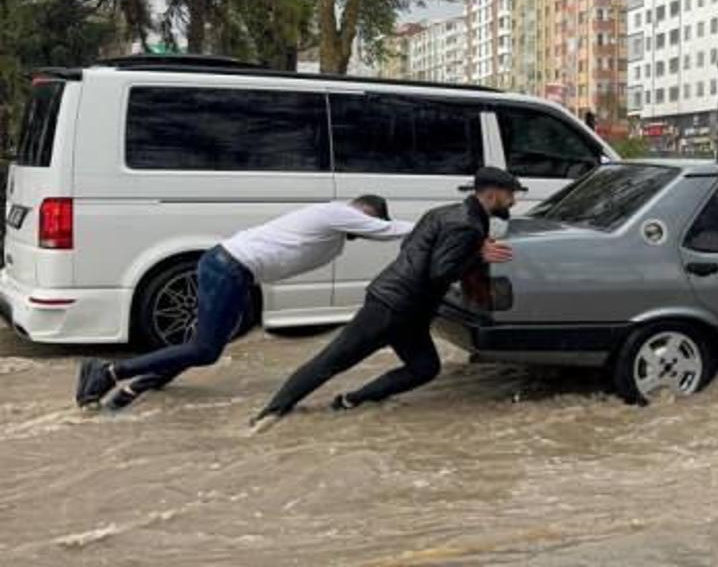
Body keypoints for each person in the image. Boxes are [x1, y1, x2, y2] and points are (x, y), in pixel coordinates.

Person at [74, 196, 414, 410]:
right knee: (205, 350)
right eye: (369, 222)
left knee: (206, 346)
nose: (367, 230)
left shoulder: (333, 237)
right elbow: (390, 229)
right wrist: (442, 223)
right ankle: (109, 371)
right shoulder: (334, 212)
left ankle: (136, 386)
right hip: (229, 268)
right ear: (363, 212)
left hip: (233, 272)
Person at [252, 167, 522, 427]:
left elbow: (410, 246)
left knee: (424, 367)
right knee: (333, 360)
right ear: (494, 194)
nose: (513, 201)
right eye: (511, 194)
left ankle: (351, 402)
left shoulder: (446, 213)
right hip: (392, 306)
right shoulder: (467, 225)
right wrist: (477, 256)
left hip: (409, 309)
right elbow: (440, 272)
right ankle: (271, 413)